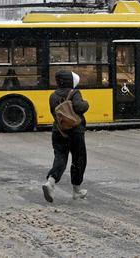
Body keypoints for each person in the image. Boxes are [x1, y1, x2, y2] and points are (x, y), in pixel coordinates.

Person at [42, 70, 89, 202]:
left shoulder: (53, 95)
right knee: (78, 159)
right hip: (75, 132)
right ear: (70, 81)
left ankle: (50, 182)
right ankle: (77, 191)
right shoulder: (74, 93)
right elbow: (80, 107)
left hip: (58, 131)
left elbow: (54, 112)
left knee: (60, 157)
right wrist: (86, 104)